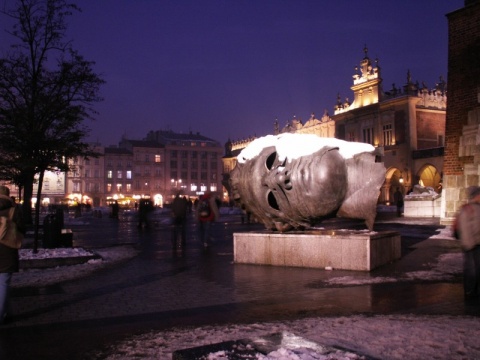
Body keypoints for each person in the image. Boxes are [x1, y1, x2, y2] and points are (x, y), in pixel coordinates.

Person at [0, 186, 25, 324]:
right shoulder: (14, 210)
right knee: (3, 283)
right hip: (7, 248)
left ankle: (7, 312)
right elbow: (22, 228)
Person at [454, 186, 480, 301]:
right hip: (471, 245)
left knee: (477, 269)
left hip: (477, 244)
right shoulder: (467, 209)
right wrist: (469, 245)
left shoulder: (477, 208)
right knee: (471, 270)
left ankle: (474, 290)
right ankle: (470, 292)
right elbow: (465, 228)